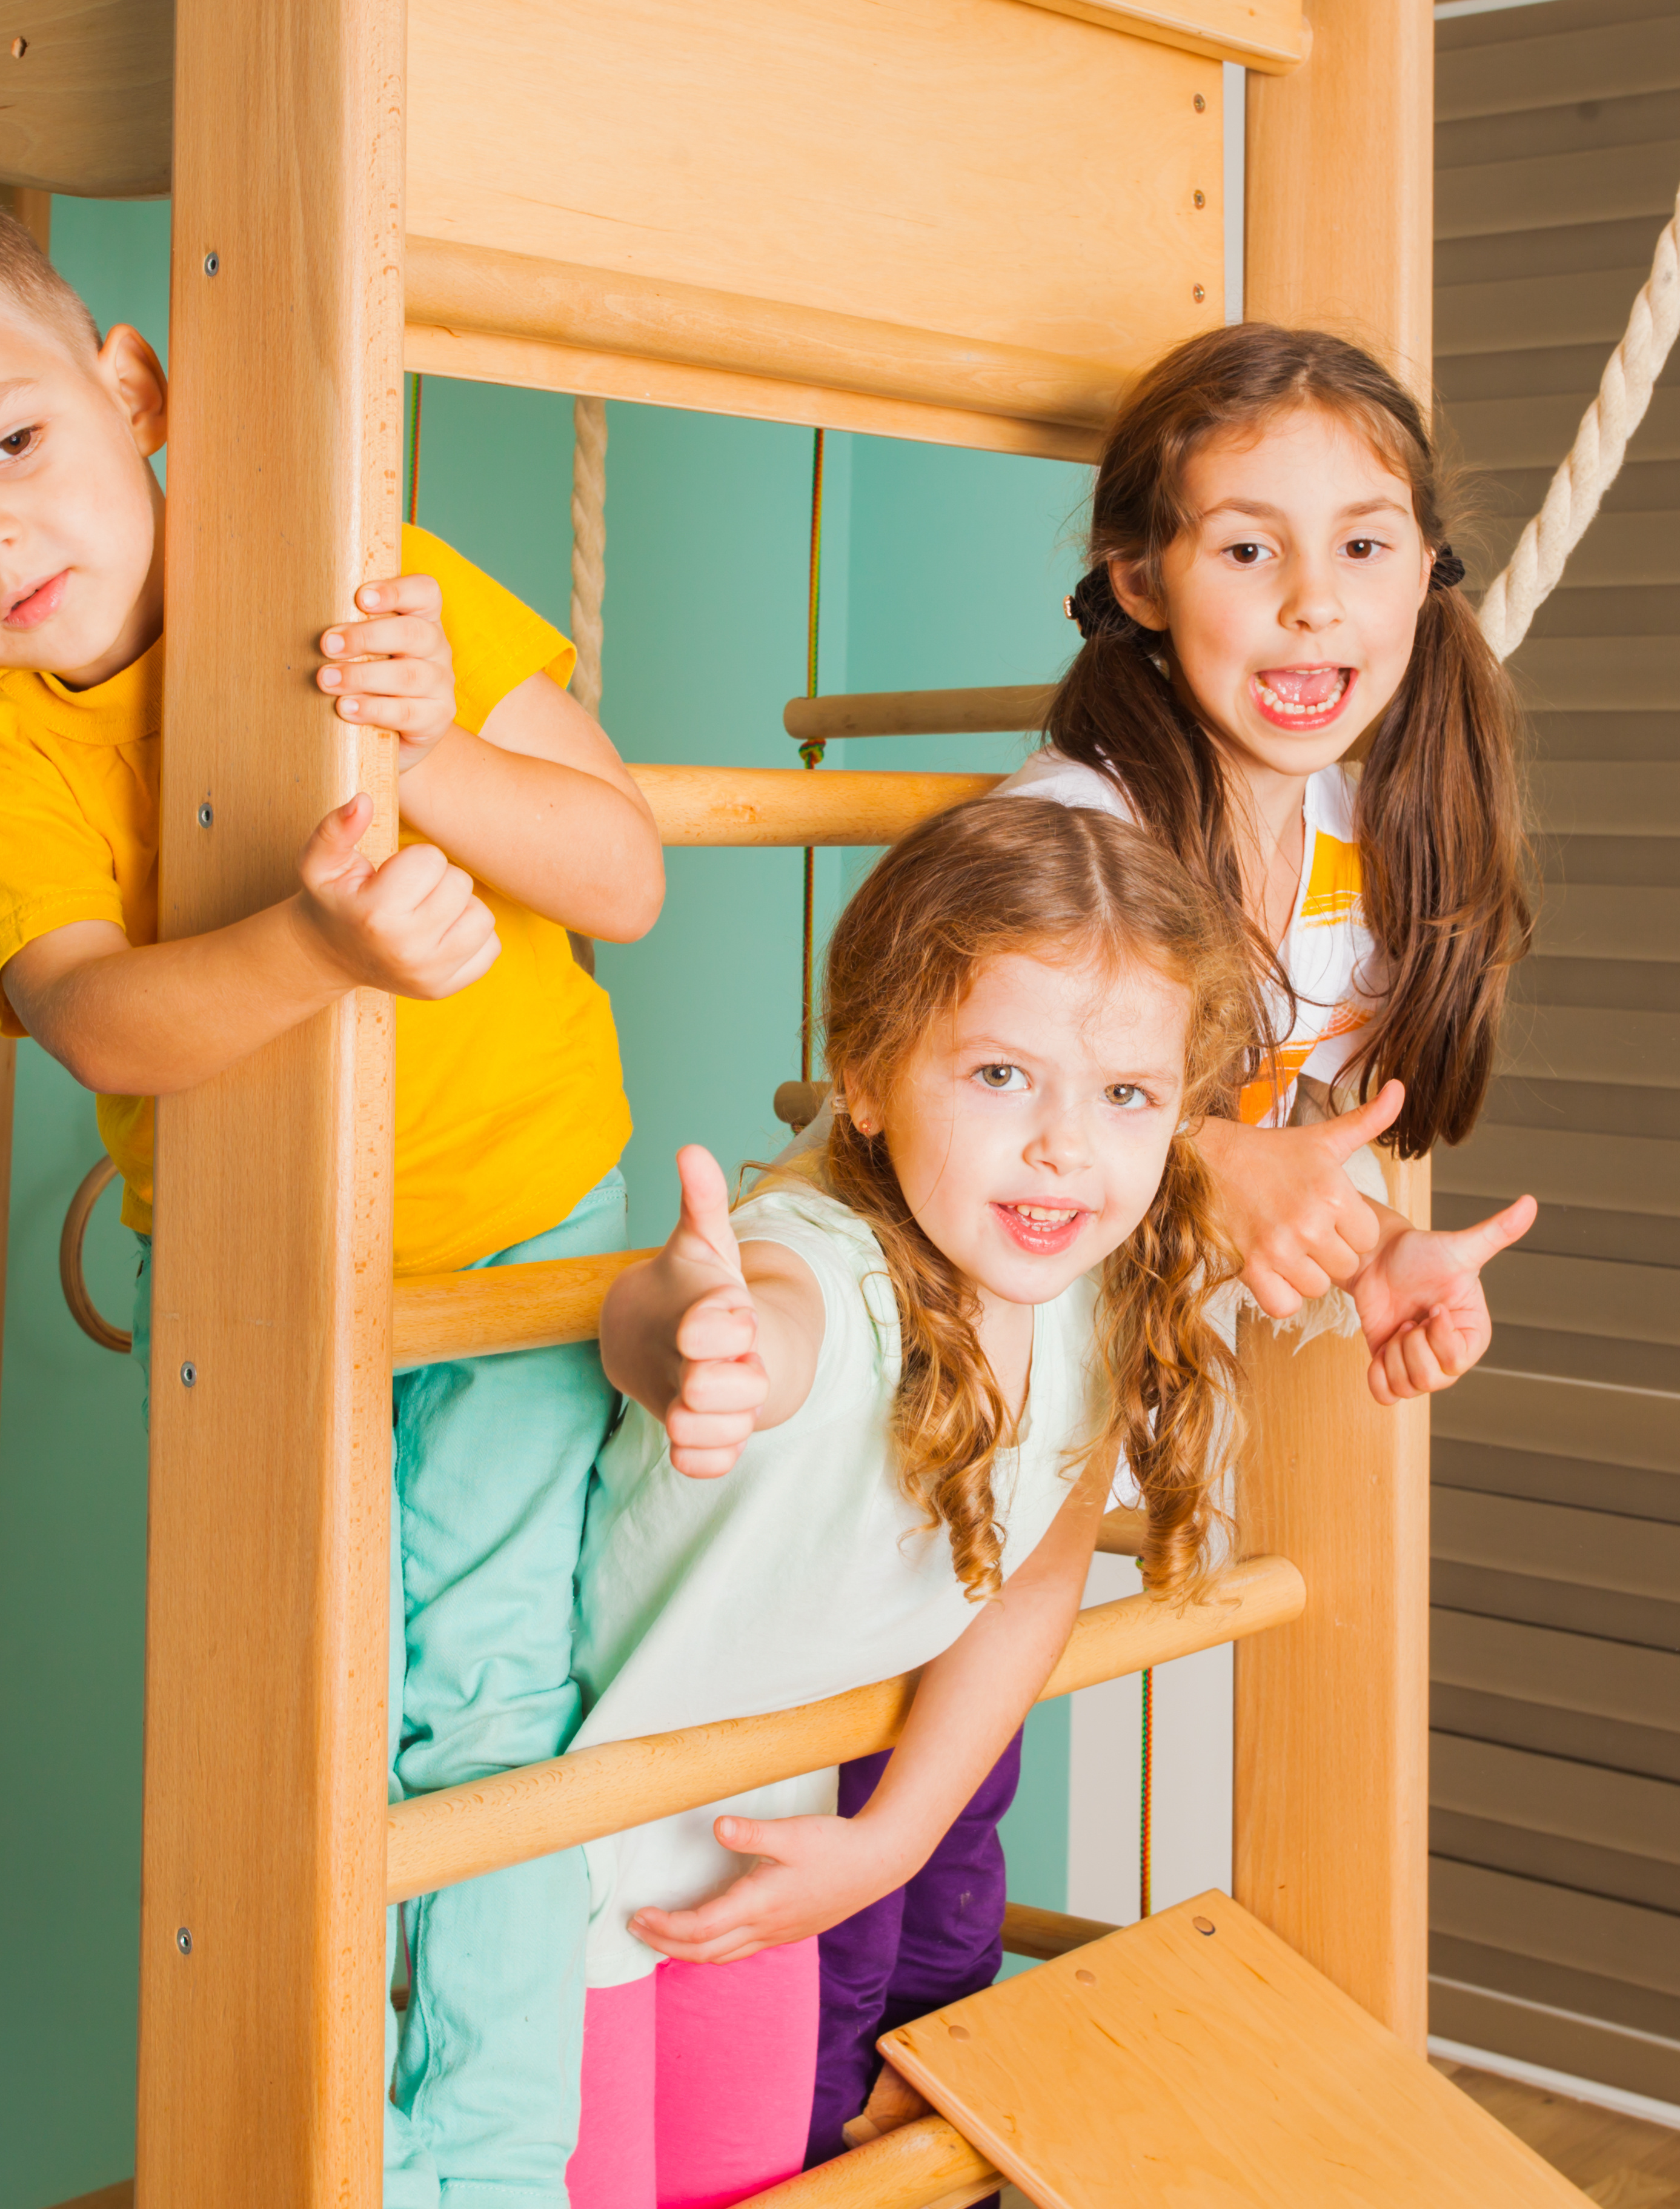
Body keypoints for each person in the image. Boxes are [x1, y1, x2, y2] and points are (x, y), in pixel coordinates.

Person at [0, 184, 664, 2208]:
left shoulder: (369, 588)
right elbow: (101, 1022)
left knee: (482, 1701)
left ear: (131, 389)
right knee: (284, 1718)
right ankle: (323, 2132)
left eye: (12, 444)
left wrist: (430, 756)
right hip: (255, 1273)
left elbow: (622, 872)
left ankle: (484, 2163)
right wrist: (320, 952)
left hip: (505, 1242)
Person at [806, 321, 1543, 2164]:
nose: (1312, 608)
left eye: (1363, 545)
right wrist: (1223, 1158)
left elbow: (1271, 1158)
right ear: (1138, 578)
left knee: (942, 1922)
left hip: (1032, 1445)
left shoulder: (1366, 853)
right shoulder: (1079, 832)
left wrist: (1369, 1250)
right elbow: (1024, 1121)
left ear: (1427, 575)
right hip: (886, 1422)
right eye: (1245, 548)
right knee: (838, 1910)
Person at [568, 800, 1297, 2207]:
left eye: (1125, 1096)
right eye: (1001, 1075)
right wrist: (692, 1342)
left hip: (754, 1851)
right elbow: (724, 1315)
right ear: (864, 1071)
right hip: (570, 1855)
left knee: (748, 2181)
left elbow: (1032, 1577)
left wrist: (888, 1839)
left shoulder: (1084, 1304)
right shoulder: (824, 1268)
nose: (1062, 1149)